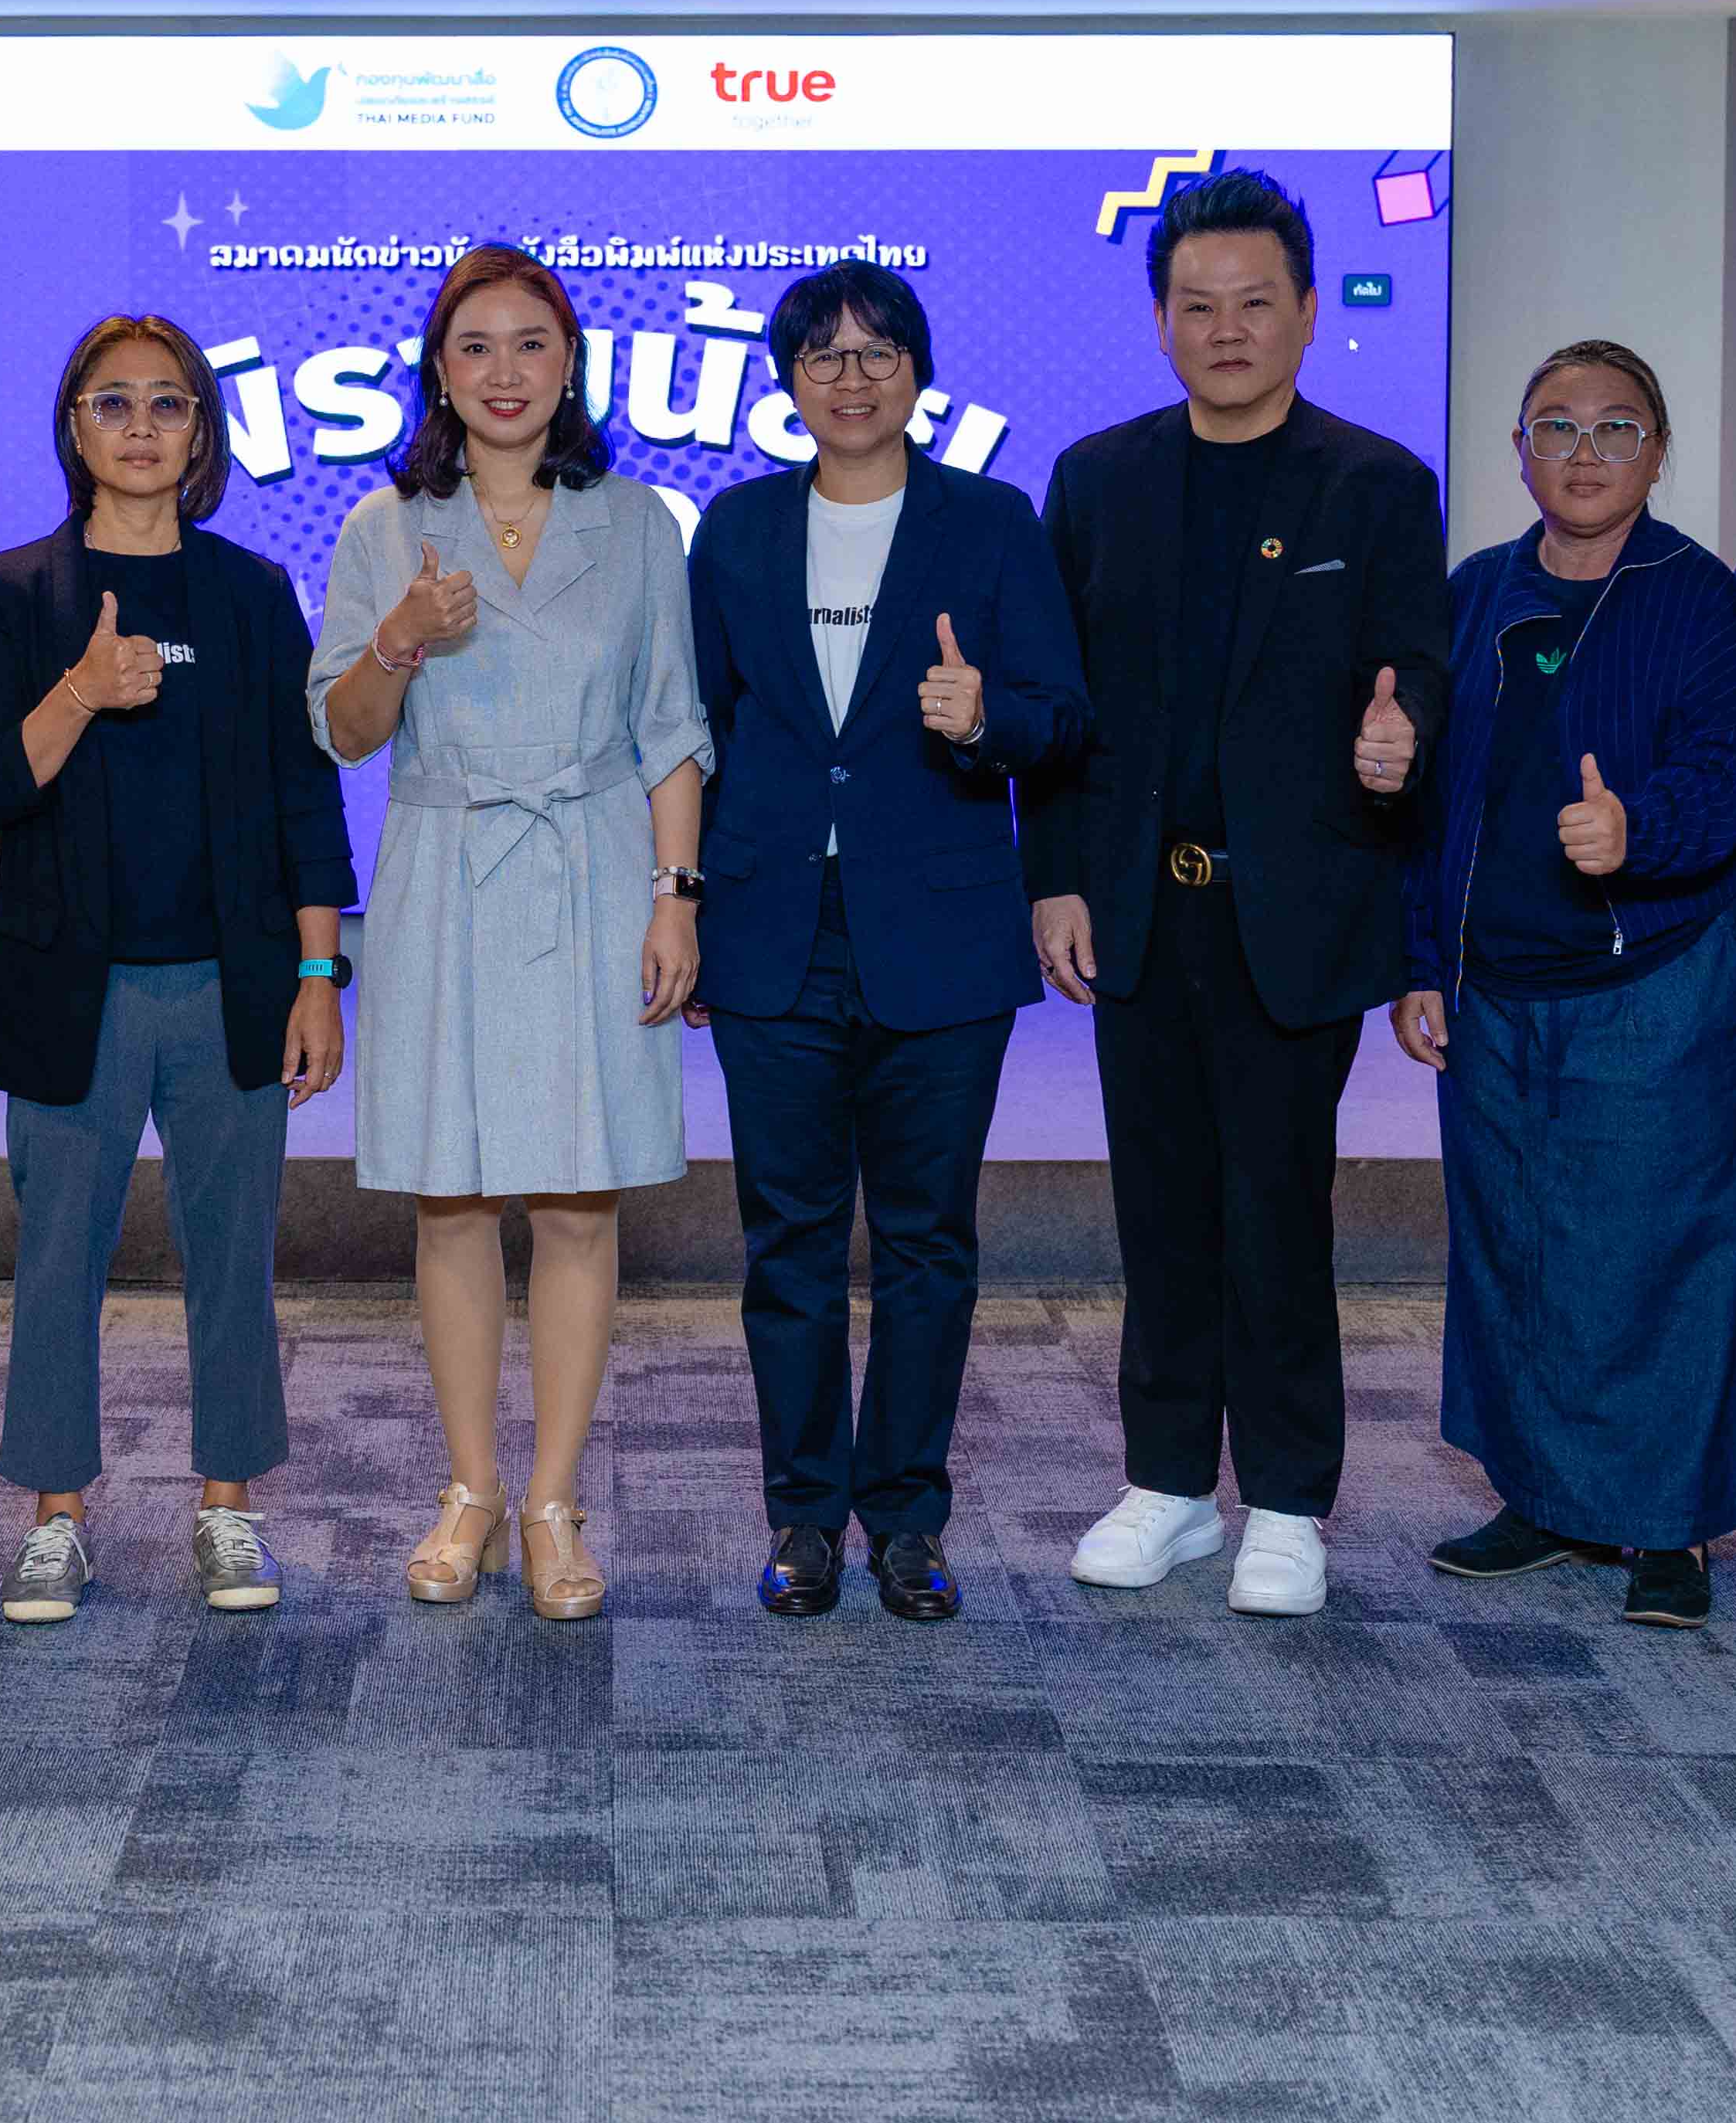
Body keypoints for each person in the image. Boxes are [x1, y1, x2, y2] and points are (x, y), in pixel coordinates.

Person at [1024, 165, 1449, 1621]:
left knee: (1276, 1208)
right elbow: (1059, 708)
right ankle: (1164, 1484)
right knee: (1158, 1209)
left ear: (1308, 312)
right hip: (1139, 908)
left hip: (1293, 911)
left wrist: (1402, 740)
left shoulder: (1374, 483)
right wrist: (1055, 879)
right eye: (1196, 305)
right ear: (1158, 320)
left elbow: (1417, 674)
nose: (1225, 329)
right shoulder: (1096, 480)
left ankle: (1283, 1497)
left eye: (1254, 303)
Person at [314, 247, 712, 1622]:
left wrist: (675, 893)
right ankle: (470, 1488)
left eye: (530, 343)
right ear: (438, 368)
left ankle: (552, 1500)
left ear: (569, 362)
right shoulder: (384, 527)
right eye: (475, 346)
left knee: (580, 1193)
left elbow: (671, 722)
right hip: (445, 866)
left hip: (596, 870)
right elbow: (343, 731)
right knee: (452, 1193)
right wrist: (400, 639)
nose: (503, 371)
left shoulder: (638, 522)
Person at [687, 262, 1085, 1624]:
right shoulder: (736, 529)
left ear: (917, 372)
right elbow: (700, 728)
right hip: (772, 934)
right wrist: (686, 899)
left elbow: (1061, 714)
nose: (850, 377)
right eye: (823, 355)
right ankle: (802, 1515)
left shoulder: (989, 521)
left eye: (877, 352)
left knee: (925, 1243)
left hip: (940, 935)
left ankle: (907, 1518)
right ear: (787, 382)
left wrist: (984, 721)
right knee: (787, 1241)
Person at [0, 315, 354, 1625]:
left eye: (167, 403)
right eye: (111, 402)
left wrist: (318, 971)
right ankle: (55, 1515)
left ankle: (227, 1503)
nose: (139, 426)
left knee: (232, 1256)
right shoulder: (15, 591)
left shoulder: (250, 592)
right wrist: (78, 690)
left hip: (233, 985)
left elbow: (304, 795)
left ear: (200, 432)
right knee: (54, 1259)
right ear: (73, 427)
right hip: (68, 983)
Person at [1392, 342, 1736, 1632]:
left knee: (1667, 1254)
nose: (1583, 452)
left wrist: (1639, 832)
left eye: (1616, 427)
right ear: (1517, 449)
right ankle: (1546, 1498)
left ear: (1656, 452)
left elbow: (1734, 770)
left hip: (1661, 975)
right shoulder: (1471, 592)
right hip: (1496, 987)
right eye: (1554, 426)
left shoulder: (1702, 599)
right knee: (1519, 1250)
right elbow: (1424, 806)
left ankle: (1670, 1523)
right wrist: (1421, 962)